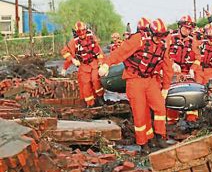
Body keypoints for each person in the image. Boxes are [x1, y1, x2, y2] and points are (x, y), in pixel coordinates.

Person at [98, 18, 173, 154]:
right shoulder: (139, 39)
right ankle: (143, 143)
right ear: (151, 32)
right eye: (157, 36)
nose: (159, 39)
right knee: (140, 113)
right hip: (135, 79)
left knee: (160, 108)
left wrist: (166, 87)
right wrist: (106, 64)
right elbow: (121, 52)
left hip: (151, 80)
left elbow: (167, 67)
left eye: (162, 36)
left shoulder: (163, 45)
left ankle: (159, 136)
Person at [60, 21, 105, 107]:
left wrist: (101, 64)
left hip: (94, 63)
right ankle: (90, 104)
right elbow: (65, 52)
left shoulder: (92, 38)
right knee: (85, 85)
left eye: (83, 31)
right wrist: (69, 64)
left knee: (96, 80)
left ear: (86, 30)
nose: (82, 34)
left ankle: (100, 98)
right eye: (79, 32)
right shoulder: (74, 42)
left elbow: (99, 52)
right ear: (76, 33)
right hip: (84, 65)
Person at [166, 15, 201, 124]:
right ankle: (172, 122)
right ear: (180, 26)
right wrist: (172, 63)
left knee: (192, 95)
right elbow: (163, 54)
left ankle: (192, 121)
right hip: (173, 72)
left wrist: (192, 69)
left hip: (187, 72)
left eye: (189, 29)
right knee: (172, 95)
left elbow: (198, 58)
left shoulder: (193, 41)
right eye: (185, 28)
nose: (187, 30)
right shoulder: (170, 38)